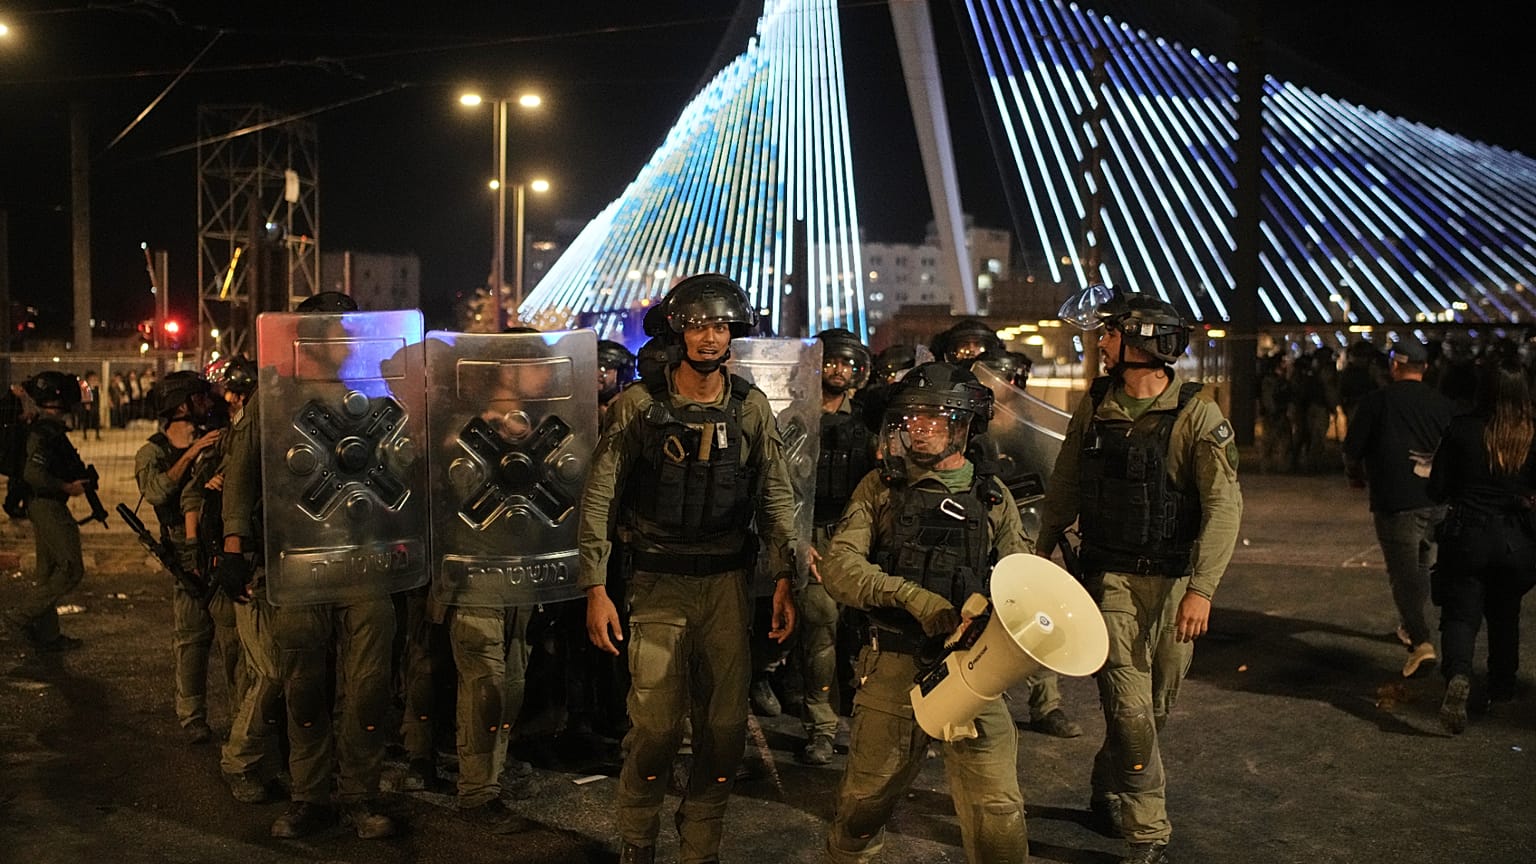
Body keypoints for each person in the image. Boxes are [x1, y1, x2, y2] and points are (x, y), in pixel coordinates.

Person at [579, 273, 799, 864]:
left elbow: (775, 495)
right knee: (653, 731)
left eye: (721, 325)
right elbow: (600, 497)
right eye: (698, 324)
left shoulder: (750, 407)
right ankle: (638, 842)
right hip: (657, 583)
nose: (709, 336)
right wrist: (595, 587)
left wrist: (785, 576)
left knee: (724, 733)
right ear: (679, 331)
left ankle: (700, 848)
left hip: (727, 583)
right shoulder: (639, 407)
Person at [1035, 291, 1242, 864]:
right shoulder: (1095, 404)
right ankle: (1149, 832)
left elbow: (1224, 508)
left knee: (1153, 709)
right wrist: (1040, 552)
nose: (1098, 343)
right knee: (1128, 709)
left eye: (1108, 334)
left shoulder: (1198, 413)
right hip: (1111, 583)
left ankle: (1108, 788)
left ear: (1141, 342)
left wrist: (1201, 590)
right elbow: (1066, 485)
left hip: (1176, 584)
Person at [819, 361, 1028, 863]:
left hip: (973, 673)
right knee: (862, 810)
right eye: (912, 419)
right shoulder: (880, 488)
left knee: (997, 813)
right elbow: (840, 568)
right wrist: (915, 599)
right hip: (892, 666)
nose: (921, 429)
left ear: (963, 425)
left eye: (935, 418)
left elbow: (1024, 584)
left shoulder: (993, 498)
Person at [214, 290, 402, 840]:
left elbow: (405, 474)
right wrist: (232, 547)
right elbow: (242, 475)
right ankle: (310, 797)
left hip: (363, 561)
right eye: (334, 332)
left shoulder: (368, 396)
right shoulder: (273, 397)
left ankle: (361, 795)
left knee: (367, 688)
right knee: (304, 688)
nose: (344, 343)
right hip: (296, 563)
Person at [1426, 358, 1536, 733]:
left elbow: (1437, 488)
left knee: (1460, 613)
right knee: (1505, 610)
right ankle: (1502, 683)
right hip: (1516, 541)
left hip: (1468, 535)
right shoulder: (1531, 435)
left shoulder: (1462, 430)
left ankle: (1458, 675)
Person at [1343, 338, 1456, 677]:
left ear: (1394, 365)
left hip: (1396, 500)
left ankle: (1421, 643)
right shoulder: (1443, 404)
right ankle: (1412, 626)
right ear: (1426, 367)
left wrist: (1356, 476)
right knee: (1422, 566)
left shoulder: (1378, 402)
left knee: (1403, 573)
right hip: (1438, 500)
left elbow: (1353, 448)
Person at [793, 327, 876, 766]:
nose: (838, 370)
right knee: (819, 629)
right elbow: (781, 487)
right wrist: (798, 540)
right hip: (814, 534)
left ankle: (866, 723)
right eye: (830, 362)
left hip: (857, 534)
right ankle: (821, 726)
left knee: (863, 636)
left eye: (846, 363)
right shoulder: (795, 418)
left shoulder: (866, 423)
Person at [206, 355, 286, 805]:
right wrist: (233, 557)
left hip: (273, 562)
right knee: (267, 671)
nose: (233, 400)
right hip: (250, 566)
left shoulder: (264, 427)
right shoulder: (240, 437)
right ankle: (239, 761)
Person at [133, 370, 224, 743]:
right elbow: (155, 492)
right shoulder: (151, 451)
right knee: (192, 639)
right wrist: (189, 455)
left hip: (218, 547)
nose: (207, 404)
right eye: (199, 398)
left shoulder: (213, 439)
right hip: (183, 554)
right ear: (182, 405)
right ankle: (192, 717)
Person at [5, 372, 92, 651]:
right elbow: (33, 472)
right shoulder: (43, 431)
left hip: (43, 503)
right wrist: (66, 487)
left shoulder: (48, 428)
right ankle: (19, 618)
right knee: (70, 568)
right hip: (47, 504)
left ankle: (48, 636)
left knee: (47, 570)